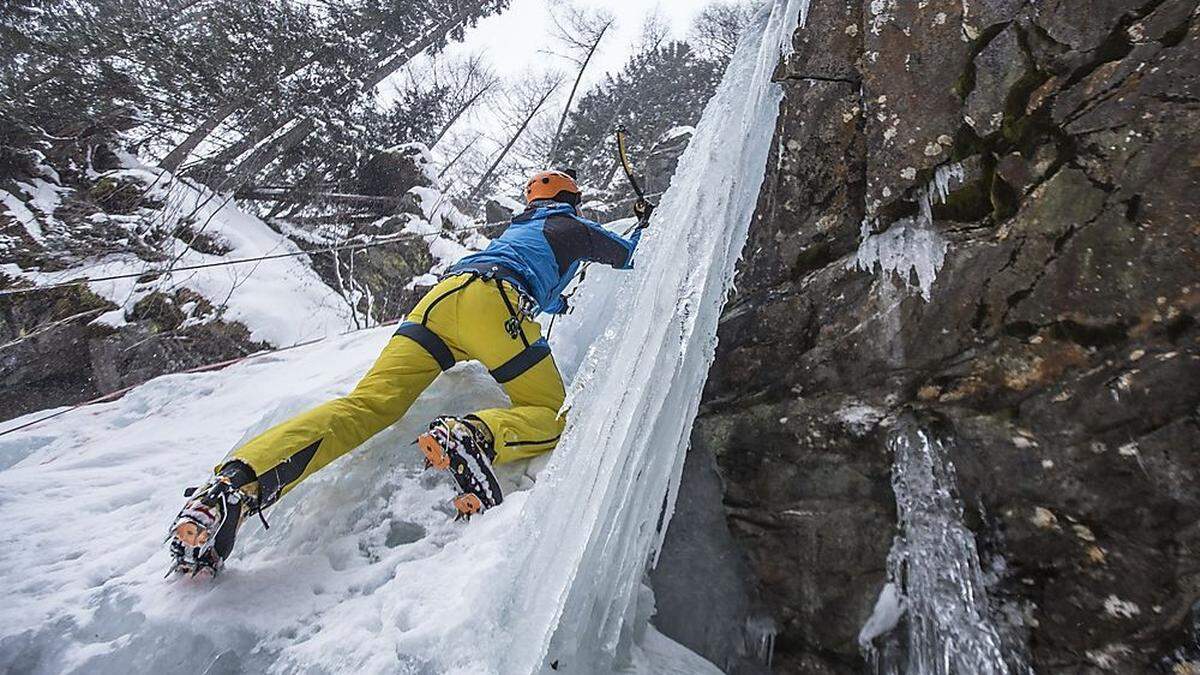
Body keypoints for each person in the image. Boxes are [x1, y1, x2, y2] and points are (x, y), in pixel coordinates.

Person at [167, 169, 654, 576]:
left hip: (437, 303)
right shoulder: (567, 226)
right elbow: (630, 254)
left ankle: (234, 486)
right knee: (554, 411)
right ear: (569, 200)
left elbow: (548, 281)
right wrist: (645, 225)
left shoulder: (517, 231)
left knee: (367, 406)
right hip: (494, 303)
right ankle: (474, 437)